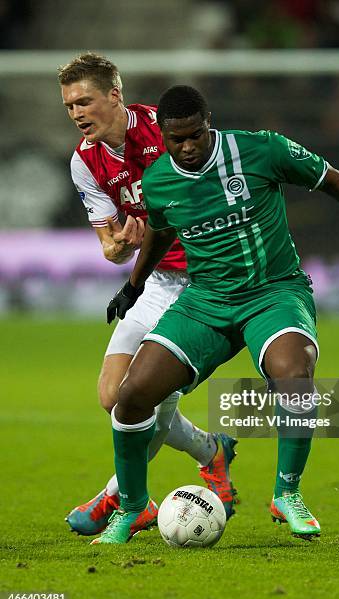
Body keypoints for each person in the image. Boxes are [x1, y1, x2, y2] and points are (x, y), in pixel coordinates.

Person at [96, 85, 339, 545]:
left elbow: (333, 180)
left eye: (196, 135)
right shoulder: (159, 180)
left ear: (208, 122)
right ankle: (133, 507)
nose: (188, 146)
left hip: (273, 292)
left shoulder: (261, 149)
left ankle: (288, 494)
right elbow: (160, 230)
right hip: (207, 300)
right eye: (177, 139)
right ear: (165, 134)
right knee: (132, 395)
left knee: (294, 376)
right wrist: (133, 286)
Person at [58, 55, 238, 538]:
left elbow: (212, 195)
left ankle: (119, 498)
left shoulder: (166, 131)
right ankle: (211, 451)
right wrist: (120, 246)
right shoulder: (84, 161)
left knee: (146, 398)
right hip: (155, 283)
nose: (76, 113)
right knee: (113, 397)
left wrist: (161, 229)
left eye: (84, 101)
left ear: (114, 95)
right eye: (69, 105)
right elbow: (112, 247)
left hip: (208, 284)